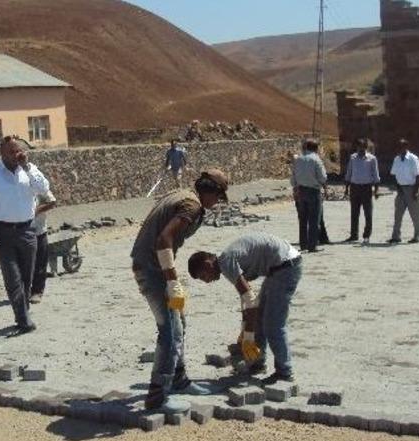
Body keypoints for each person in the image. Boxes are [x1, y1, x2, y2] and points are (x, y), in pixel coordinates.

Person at [131, 169, 229, 413]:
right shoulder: (191, 206)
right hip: (153, 271)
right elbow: (163, 240)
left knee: (179, 322)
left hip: (156, 268)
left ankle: (179, 379)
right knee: (170, 332)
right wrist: (172, 281)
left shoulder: (183, 195)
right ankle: (157, 397)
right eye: (218, 197)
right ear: (210, 191)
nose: (217, 203)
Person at [187, 232, 302, 385]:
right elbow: (246, 300)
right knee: (259, 318)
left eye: (203, 277)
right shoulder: (228, 261)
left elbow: (250, 301)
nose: (207, 282)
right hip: (278, 266)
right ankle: (257, 363)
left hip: (286, 267)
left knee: (273, 325)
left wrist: (247, 336)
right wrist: (245, 329)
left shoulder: (227, 263)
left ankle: (285, 372)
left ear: (208, 264)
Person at [0, 136, 51, 335]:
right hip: (2, 233)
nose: (16, 154)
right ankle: (23, 318)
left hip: (28, 231)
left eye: (18, 150)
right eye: (11, 151)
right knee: (13, 277)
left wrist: (27, 167)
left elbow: (44, 189)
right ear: (1, 153)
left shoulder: (30, 170)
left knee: (27, 277)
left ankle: (23, 314)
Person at [291, 139, 327, 252]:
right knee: (314, 219)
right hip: (313, 191)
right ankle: (312, 245)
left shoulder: (298, 159)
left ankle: (303, 245)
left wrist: (296, 187)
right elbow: (323, 177)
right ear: (316, 148)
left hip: (301, 191)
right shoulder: (316, 160)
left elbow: (293, 177)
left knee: (303, 220)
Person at [344, 138, 380, 243]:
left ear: (366, 147)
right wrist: (346, 189)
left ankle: (366, 235)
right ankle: (353, 235)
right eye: (358, 147)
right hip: (354, 187)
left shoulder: (372, 159)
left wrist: (376, 190)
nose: (360, 149)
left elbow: (376, 175)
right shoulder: (353, 158)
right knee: (354, 213)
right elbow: (349, 173)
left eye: (362, 147)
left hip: (366, 188)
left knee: (368, 213)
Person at [388, 139, 419, 244]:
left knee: (415, 215)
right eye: (398, 146)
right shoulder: (397, 159)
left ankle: (417, 236)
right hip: (401, 189)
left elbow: (418, 175)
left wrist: (416, 191)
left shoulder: (413, 159)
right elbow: (394, 174)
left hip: (412, 188)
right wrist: (398, 188)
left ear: (406, 147)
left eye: (401, 146)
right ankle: (396, 236)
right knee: (397, 214)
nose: (399, 149)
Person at [30, 190, 58, 304]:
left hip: (38, 230)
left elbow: (52, 202)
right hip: (21, 231)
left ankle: (37, 291)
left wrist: (36, 211)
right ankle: (24, 290)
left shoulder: (38, 183)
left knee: (39, 263)